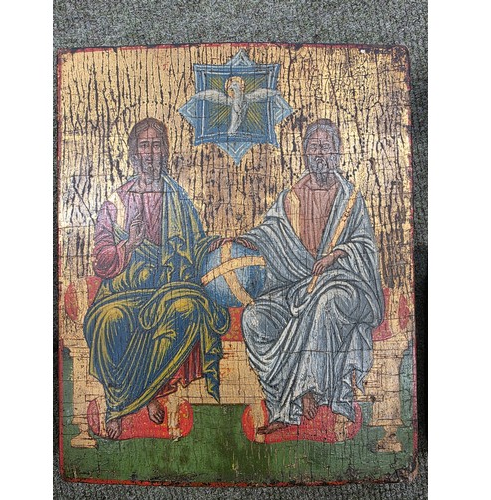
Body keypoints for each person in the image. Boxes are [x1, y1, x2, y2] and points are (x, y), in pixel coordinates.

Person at [83, 118, 230, 439]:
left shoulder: (179, 199)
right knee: (111, 320)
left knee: (188, 310)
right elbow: (101, 260)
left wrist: (216, 244)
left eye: (156, 145)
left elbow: (194, 245)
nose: (150, 153)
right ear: (134, 154)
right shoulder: (117, 202)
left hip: (169, 288)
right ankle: (117, 404)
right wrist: (129, 244)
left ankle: (149, 390)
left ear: (165, 152)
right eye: (144, 146)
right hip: (123, 292)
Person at [237, 118, 385, 434]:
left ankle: (308, 390)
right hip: (299, 287)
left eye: (326, 147)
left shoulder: (350, 198)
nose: (320, 154)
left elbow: (365, 247)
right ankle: (281, 405)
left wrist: (337, 254)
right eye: (314, 147)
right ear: (305, 152)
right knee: (254, 318)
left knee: (325, 302)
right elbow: (269, 233)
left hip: (346, 285)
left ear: (338, 152)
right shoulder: (291, 197)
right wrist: (244, 242)